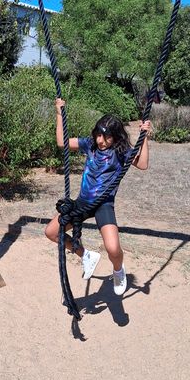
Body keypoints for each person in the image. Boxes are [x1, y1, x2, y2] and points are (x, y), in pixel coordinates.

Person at [45, 98, 152, 296]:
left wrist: (144, 137)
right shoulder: (90, 145)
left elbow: (143, 164)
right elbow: (62, 143)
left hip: (104, 205)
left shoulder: (122, 152)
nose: (101, 141)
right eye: (98, 136)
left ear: (116, 137)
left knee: (112, 248)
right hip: (83, 202)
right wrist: (59, 113)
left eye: (107, 137)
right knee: (51, 232)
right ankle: (86, 255)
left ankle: (119, 271)